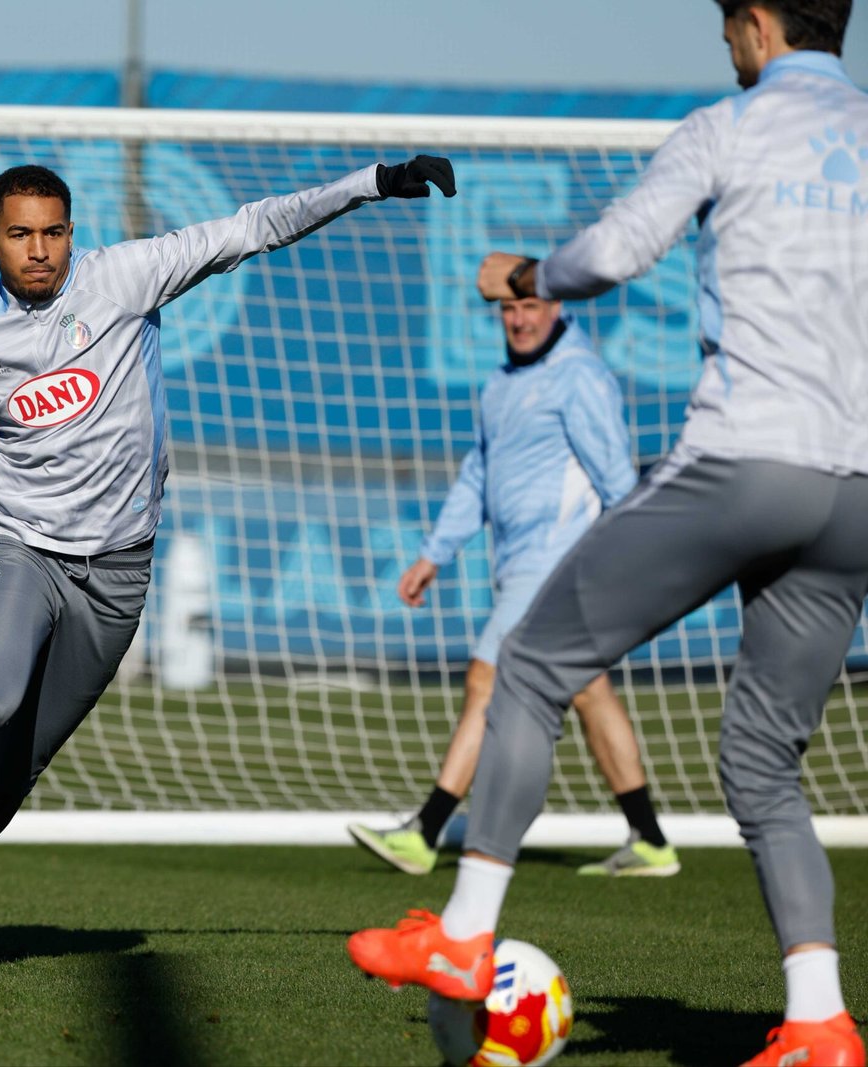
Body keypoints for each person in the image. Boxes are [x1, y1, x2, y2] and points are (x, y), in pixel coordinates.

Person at [0, 156, 458, 968]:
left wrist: (371, 182)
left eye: (53, 232)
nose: (39, 250)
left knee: (17, 765)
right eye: (20, 235)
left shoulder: (129, 277)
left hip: (118, 572)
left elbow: (255, 226)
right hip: (22, 547)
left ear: (72, 232)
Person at [347, 3, 867, 1064]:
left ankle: (460, 936)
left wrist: (525, 276)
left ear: (757, 26)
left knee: (532, 665)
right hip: (855, 491)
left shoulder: (729, 126)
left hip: (744, 462)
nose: (726, 46)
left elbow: (616, 251)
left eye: (728, 28)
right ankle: (820, 1019)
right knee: (764, 763)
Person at [350, 295, 679, 878]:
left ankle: (425, 831)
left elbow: (618, 479)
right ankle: (650, 839)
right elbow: (478, 474)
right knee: (588, 690)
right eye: (507, 309)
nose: (519, 320)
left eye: (530, 305)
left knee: (487, 677)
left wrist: (632, 562)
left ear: (556, 306)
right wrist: (434, 552)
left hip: (561, 561)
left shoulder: (580, 375)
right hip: (521, 563)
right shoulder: (501, 383)